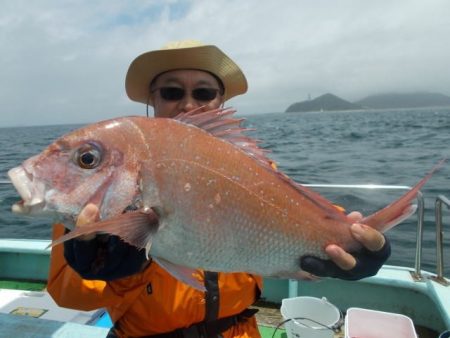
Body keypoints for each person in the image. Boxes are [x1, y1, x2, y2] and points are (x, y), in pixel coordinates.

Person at [47, 40, 391, 338]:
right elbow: (68, 296)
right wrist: (102, 266)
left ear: (220, 102)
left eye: (204, 92)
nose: (187, 103)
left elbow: (301, 216)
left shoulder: (258, 172)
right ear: (152, 100)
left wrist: (359, 244)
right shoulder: (109, 179)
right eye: (171, 91)